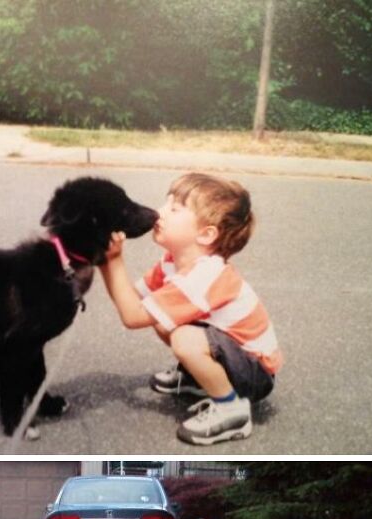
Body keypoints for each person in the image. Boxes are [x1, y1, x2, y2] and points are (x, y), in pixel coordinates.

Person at [100, 172, 283, 446]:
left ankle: (232, 409)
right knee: (165, 320)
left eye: (173, 209)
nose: (159, 213)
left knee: (184, 338)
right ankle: (198, 379)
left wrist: (111, 261)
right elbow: (136, 299)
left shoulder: (203, 277)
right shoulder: (171, 263)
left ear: (206, 234)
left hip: (255, 374)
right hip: (234, 354)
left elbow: (132, 316)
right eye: (165, 204)